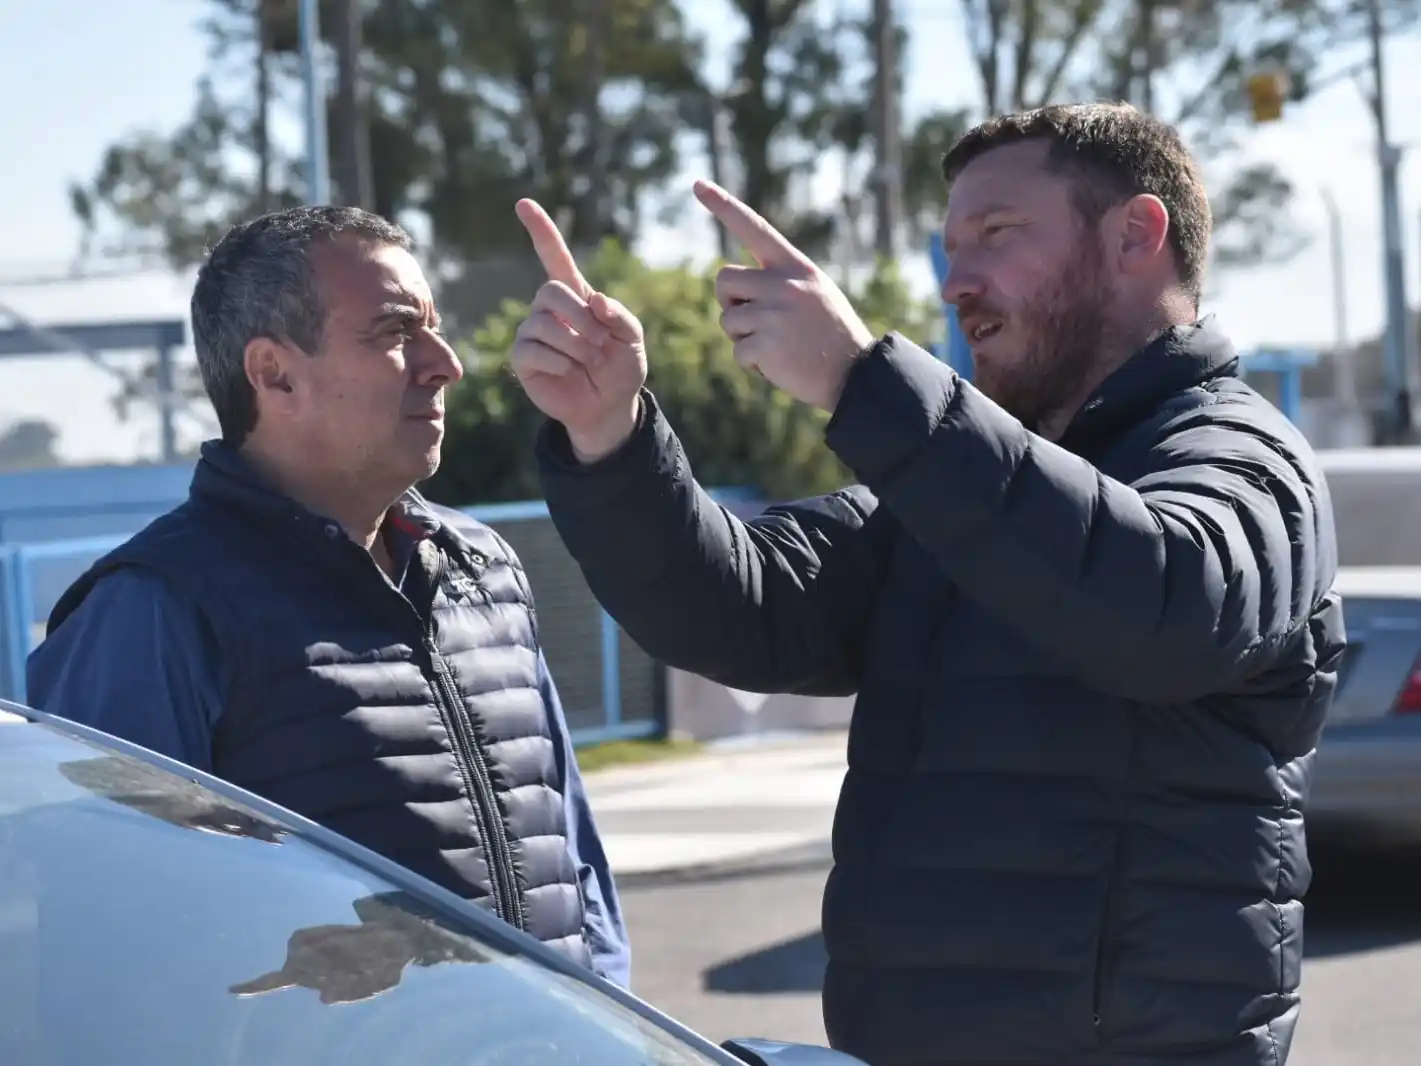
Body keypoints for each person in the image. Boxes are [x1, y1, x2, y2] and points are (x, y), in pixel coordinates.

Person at [509, 103, 1343, 1066]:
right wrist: (608, 437)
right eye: (950, 248)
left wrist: (863, 382)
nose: (957, 285)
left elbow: (1162, 608)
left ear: (1135, 237)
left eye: (997, 235)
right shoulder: (964, 486)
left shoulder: (1244, 457)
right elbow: (740, 607)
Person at [27, 205, 629, 989]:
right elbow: (107, 943)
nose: (443, 362)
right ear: (274, 373)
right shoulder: (154, 608)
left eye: (433, 327)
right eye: (392, 333)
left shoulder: (484, 568)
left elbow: (576, 872)